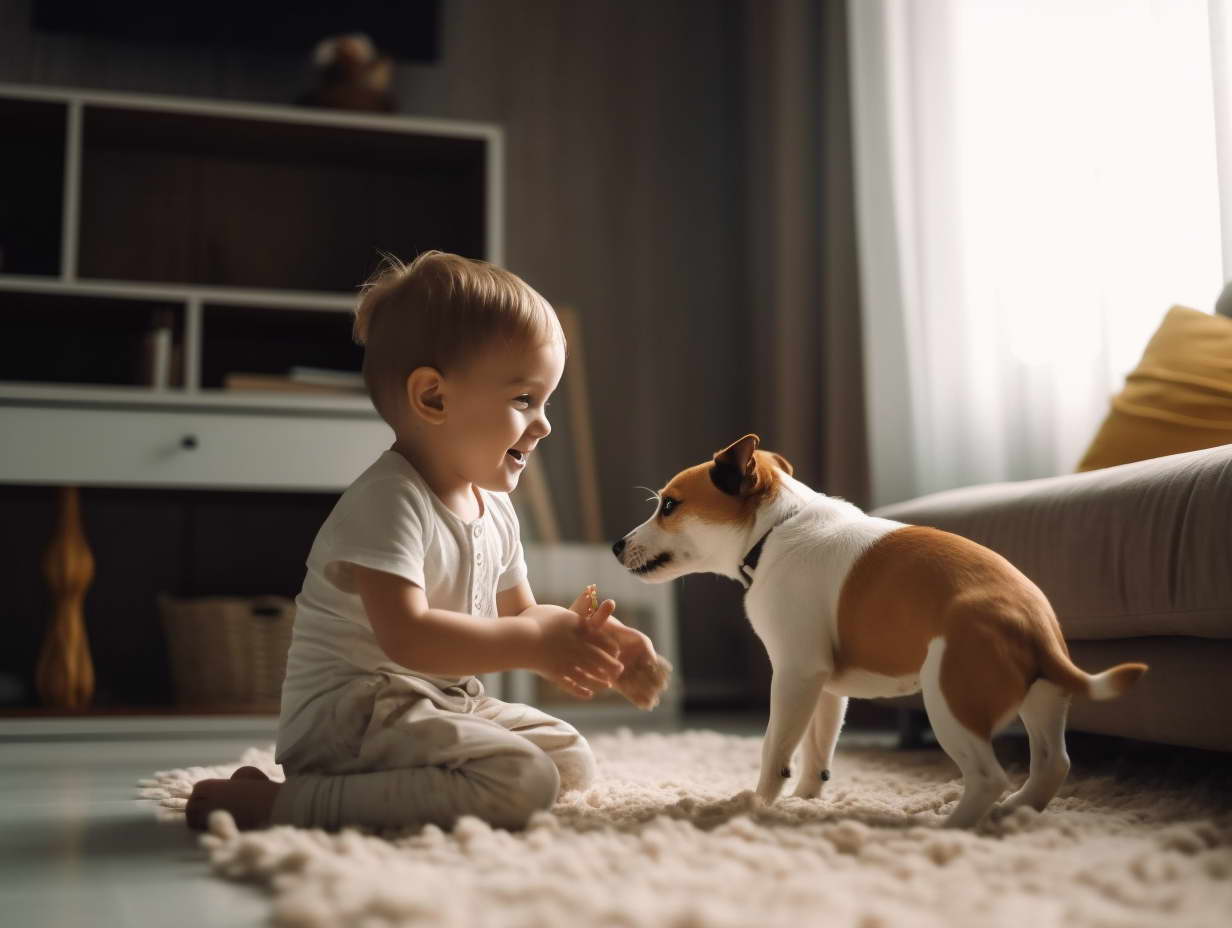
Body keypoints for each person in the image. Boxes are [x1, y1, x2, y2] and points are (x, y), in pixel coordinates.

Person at [186, 251, 662, 831]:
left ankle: (356, 789)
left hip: (438, 701)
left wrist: (591, 640)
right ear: (433, 397)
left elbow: (523, 613)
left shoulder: (498, 509)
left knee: (567, 759)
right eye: (523, 400)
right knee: (522, 780)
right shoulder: (388, 501)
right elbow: (407, 638)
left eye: (546, 403)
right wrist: (533, 647)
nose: (543, 425)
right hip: (354, 714)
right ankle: (287, 805)